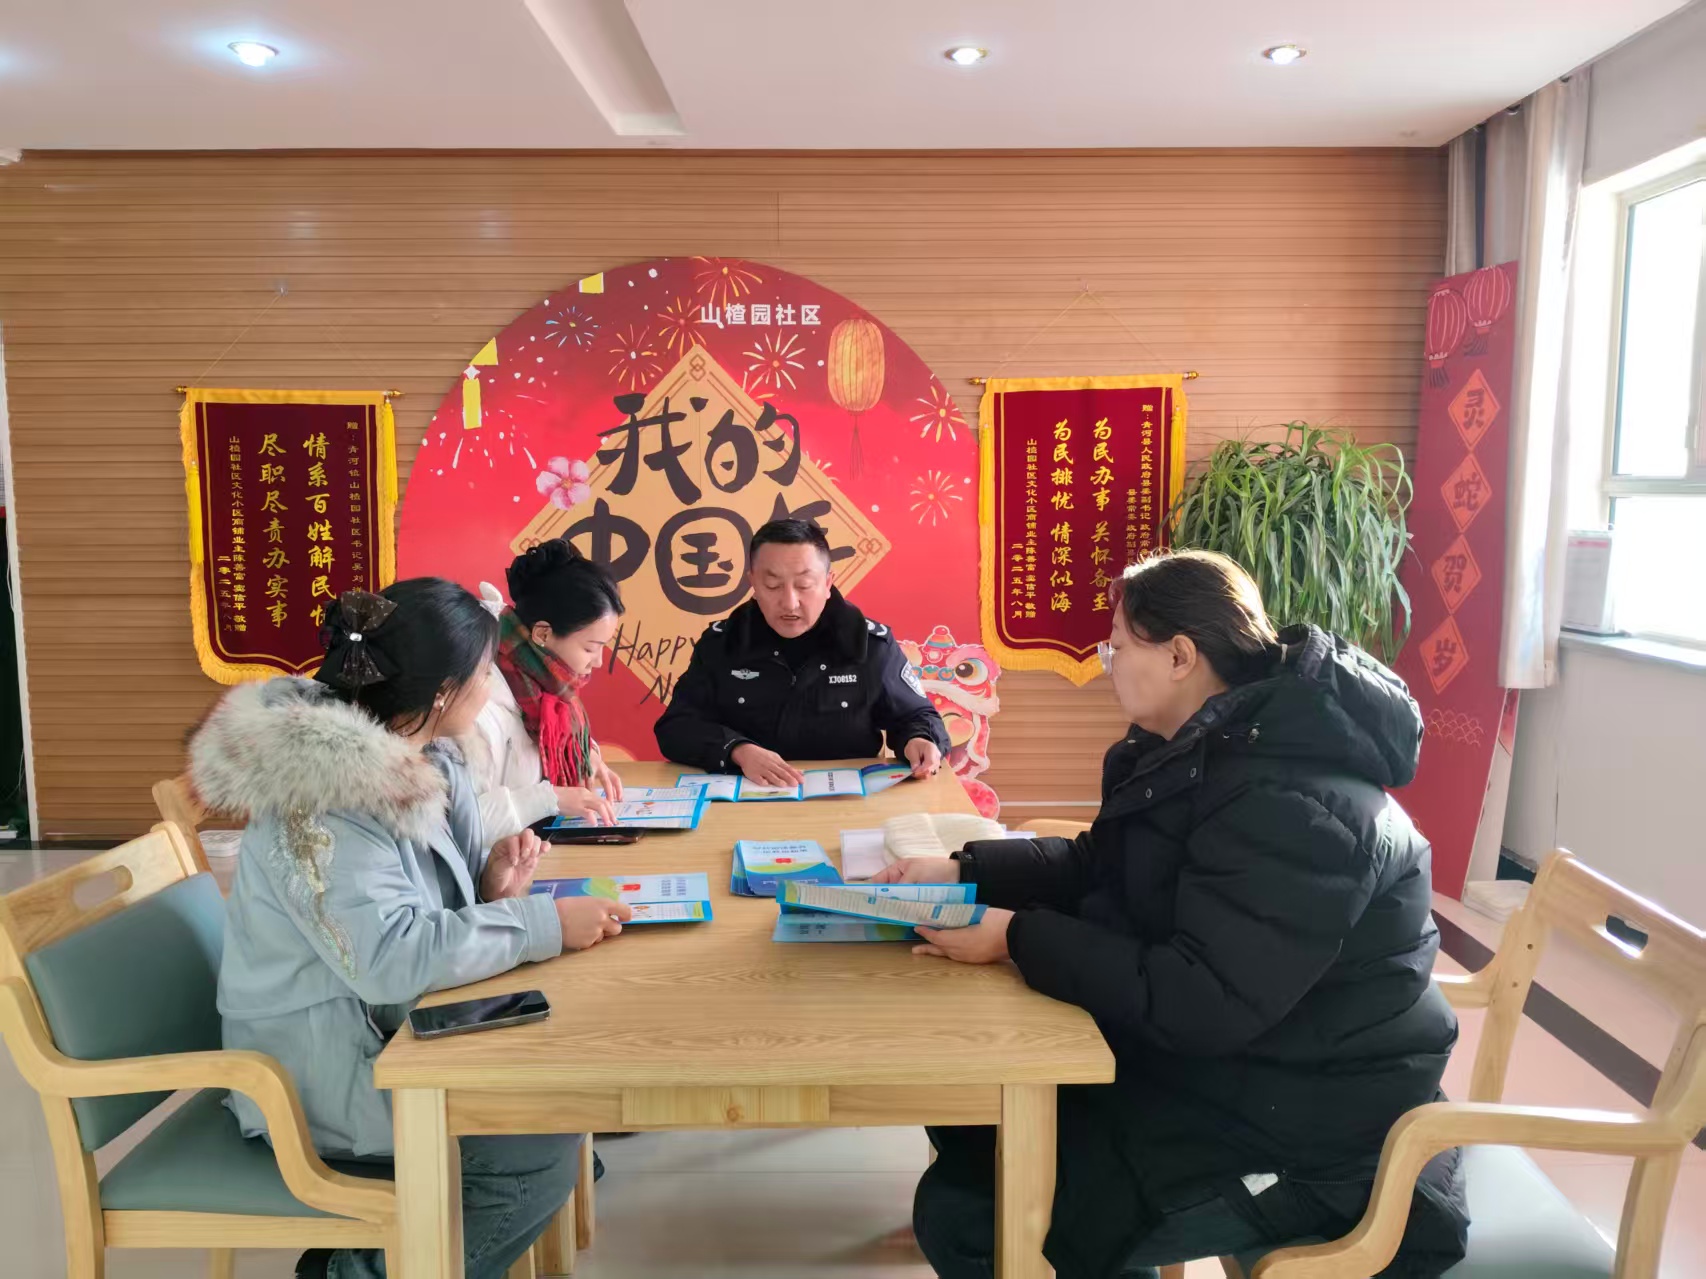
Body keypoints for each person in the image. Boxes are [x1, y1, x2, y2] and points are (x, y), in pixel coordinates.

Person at [876, 550, 1468, 1279]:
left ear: (1181, 656)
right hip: (1231, 1071)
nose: (1108, 666)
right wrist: (966, 869)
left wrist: (1018, 936)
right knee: (973, 1114)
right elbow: (1101, 863)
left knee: (973, 1217)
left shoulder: (1292, 803)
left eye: (1118, 647)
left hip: (1317, 1133)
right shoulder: (1194, 747)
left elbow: (1199, 998)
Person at [192, 579, 633, 1279]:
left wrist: (488, 886)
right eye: (485, 672)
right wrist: (541, 921)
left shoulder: (425, 754)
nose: (493, 686)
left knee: (556, 1098)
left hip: (383, 1026)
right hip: (320, 1067)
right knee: (536, 1148)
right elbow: (389, 959)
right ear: (442, 693)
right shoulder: (326, 798)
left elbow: (406, 913)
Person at [654, 518, 950, 786]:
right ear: (753, 583)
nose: (790, 602)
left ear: (827, 583)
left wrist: (919, 739)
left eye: (804, 585)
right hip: (748, 800)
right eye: (772, 585)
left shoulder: (868, 644)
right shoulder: (723, 643)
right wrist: (737, 750)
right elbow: (676, 727)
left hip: (847, 802)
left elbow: (916, 715)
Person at [468, 538, 626, 842]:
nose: (598, 662)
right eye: (590, 648)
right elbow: (459, 827)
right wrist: (548, 799)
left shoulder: (547, 684)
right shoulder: (477, 701)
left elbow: (557, 734)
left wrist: (587, 755)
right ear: (543, 633)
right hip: (497, 865)